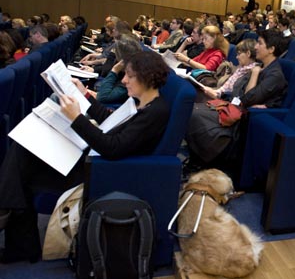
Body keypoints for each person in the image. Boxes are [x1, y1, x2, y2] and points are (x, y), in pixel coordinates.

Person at [0, 51, 171, 263]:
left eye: (129, 76)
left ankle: (14, 230)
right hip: (93, 159)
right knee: (22, 158)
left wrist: (77, 118)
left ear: (146, 77)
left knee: (21, 165)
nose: (124, 80)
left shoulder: (155, 112)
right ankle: (15, 232)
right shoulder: (143, 103)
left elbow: (113, 148)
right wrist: (85, 96)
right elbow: (111, 122)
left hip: (99, 171)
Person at [185, 29, 287, 167]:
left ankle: (203, 161)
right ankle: (196, 158)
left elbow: (248, 98)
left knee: (195, 114)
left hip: (243, 117)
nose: (256, 46)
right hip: (234, 105)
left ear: (271, 49)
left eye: (260, 43)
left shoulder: (274, 74)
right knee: (192, 109)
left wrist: (255, 74)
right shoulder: (261, 66)